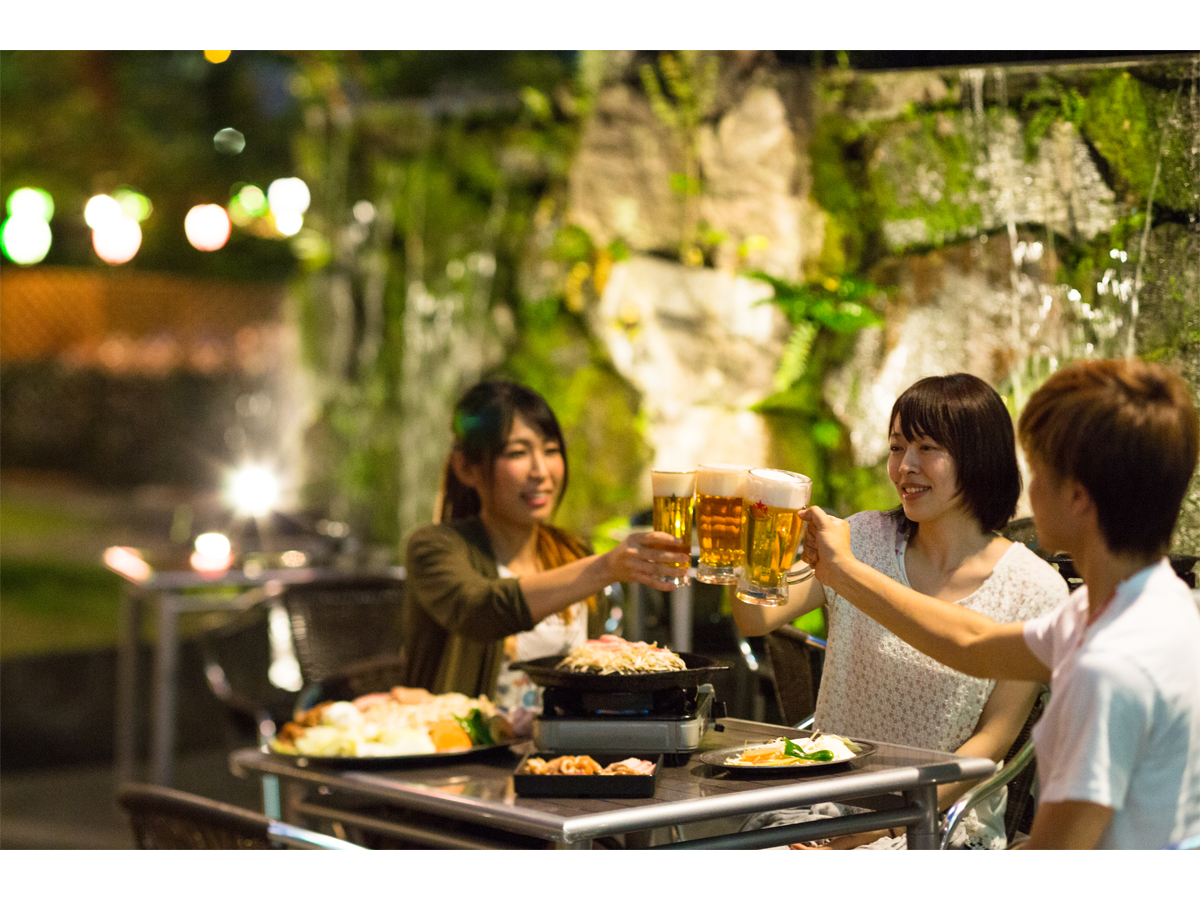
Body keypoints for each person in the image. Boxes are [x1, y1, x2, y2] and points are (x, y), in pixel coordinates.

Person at [800, 358, 1200, 849]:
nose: (1024, 489)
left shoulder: (1111, 668)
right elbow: (974, 642)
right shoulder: (1131, 604)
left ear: (1077, 498)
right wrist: (847, 572)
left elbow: (1052, 864)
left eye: (1039, 471)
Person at [734, 373, 1069, 849]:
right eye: (896, 448)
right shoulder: (861, 539)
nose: (904, 466)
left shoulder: (1034, 588)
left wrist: (870, 833)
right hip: (822, 799)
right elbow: (755, 618)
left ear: (979, 458)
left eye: (926, 448)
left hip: (941, 817)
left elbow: (991, 744)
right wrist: (747, 542)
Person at [403, 380, 689, 723]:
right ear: (467, 468)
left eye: (551, 450)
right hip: (468, 755)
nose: (541, 471)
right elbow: (479, 610)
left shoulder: (570, 551)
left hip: (564, 754)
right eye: (518, 453)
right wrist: (603, 568)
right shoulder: (435, 547)